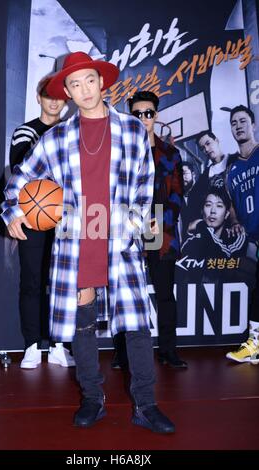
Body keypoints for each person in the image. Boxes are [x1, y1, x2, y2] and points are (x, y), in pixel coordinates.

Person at [1, 51, 175, 433]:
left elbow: (145, 182)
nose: (84, 90)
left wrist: (135, 228)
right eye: (75, 84)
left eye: (89, 81)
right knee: (83, 324)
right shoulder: (57, 137)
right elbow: (21, 176)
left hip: (119, 240)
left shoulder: (131, 129)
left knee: (138, 327)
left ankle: (145, 405)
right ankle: (93, 401)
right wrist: (12, 210)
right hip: (75, 237)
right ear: (67, 92)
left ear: (101, 82)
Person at [9, 74, 75, 369]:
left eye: (59, 96)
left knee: (63, 283)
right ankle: (33, 345)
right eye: (47, 95)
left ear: (66, 100)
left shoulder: (72, 132)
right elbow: (24, 172)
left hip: (67, 219)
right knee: (33, 282)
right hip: (34, 216)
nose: (53, 101)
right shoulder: (26, 132)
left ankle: (60, 344)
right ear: (38, 98)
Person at [127, 91, 187, 368]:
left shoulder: (170, 153)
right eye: (137, 114)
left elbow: (177, 192)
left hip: (159, 227)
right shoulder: (122, 152)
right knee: (125, 292)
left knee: (164, 292)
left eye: (148, 113)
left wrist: (161, 221)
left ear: (156, 115)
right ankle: (122, 353)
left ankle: (168, 350)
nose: (143, 119)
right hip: (128, 225)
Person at [225, 105, 259, 364]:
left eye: (243, 121)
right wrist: (235, 222)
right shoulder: (232, 171)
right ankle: (255, 344)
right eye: (234, 122)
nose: (238, 126)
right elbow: (235, 208)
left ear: (254, 124)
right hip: (254, 238)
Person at [181, 187, 246, 260]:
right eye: (208, 205)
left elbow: (225, 256)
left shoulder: (236, 235)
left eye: (219, 206)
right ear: (202, 211)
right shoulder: (194, 237)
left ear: (227, 214)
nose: (213, 211)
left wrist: (201, 226)